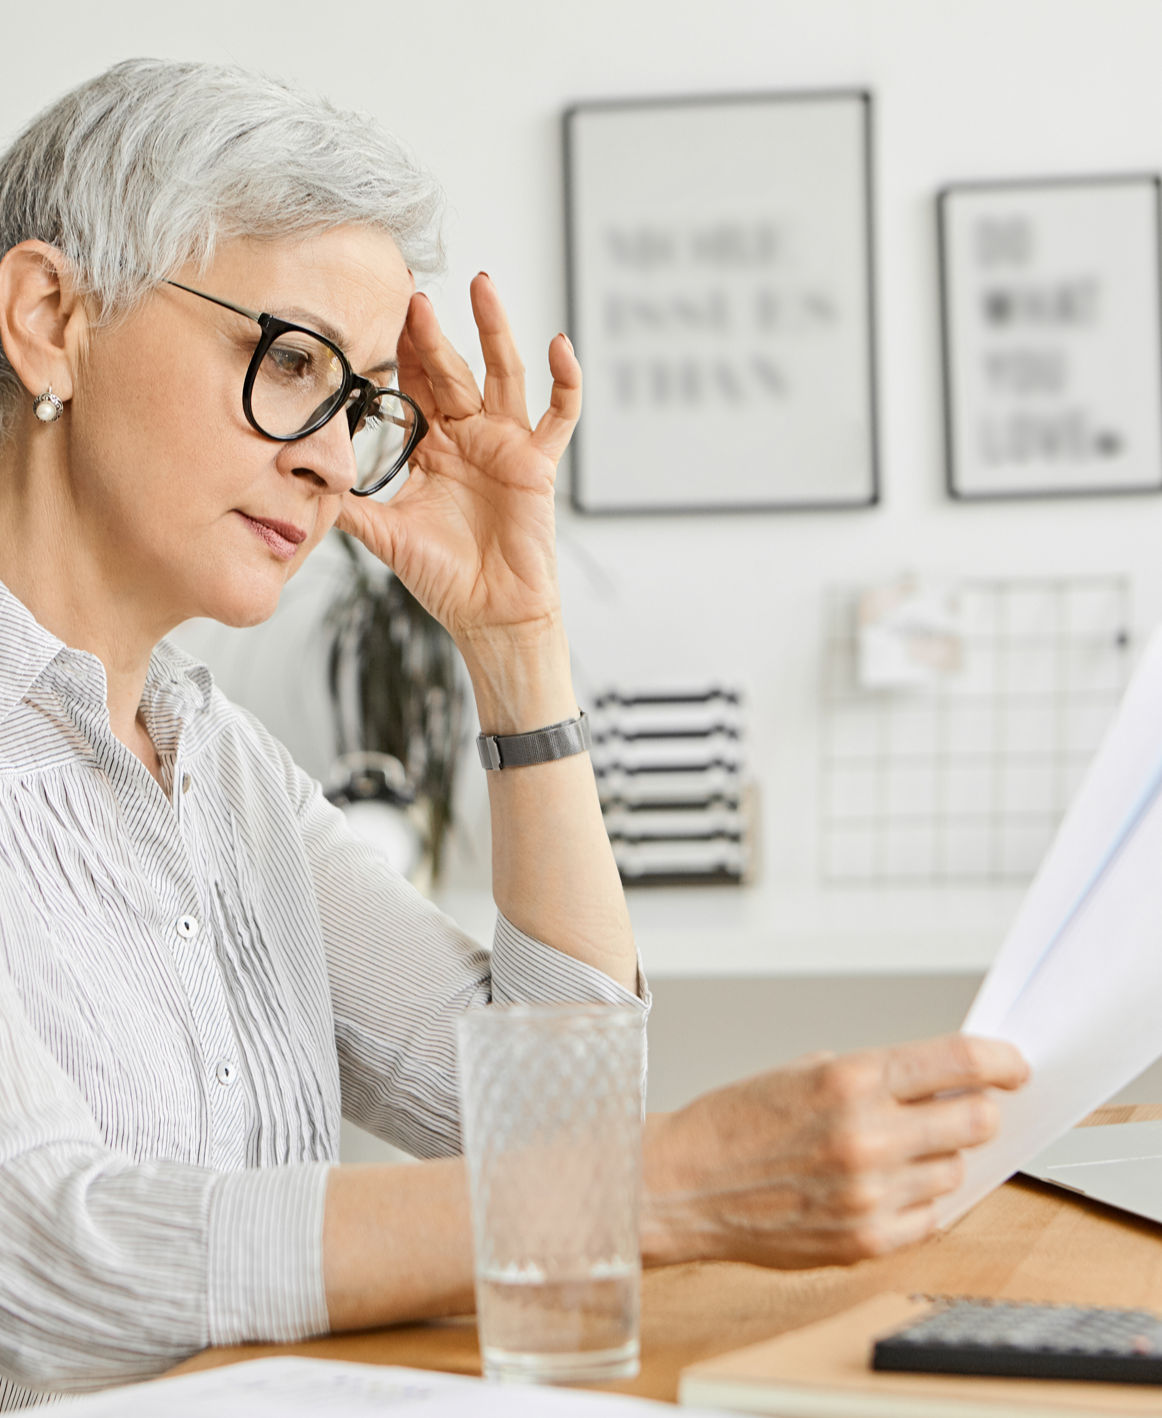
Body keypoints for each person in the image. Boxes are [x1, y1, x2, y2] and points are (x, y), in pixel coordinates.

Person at [0, 57, 1028, 1408]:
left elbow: (560, 1118)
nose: (324, 454)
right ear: (49, 315)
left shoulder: (219, 766)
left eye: (359, 401)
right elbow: (49, 1259)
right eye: (291, 357)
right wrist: (664, 1189)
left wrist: (513, 639)